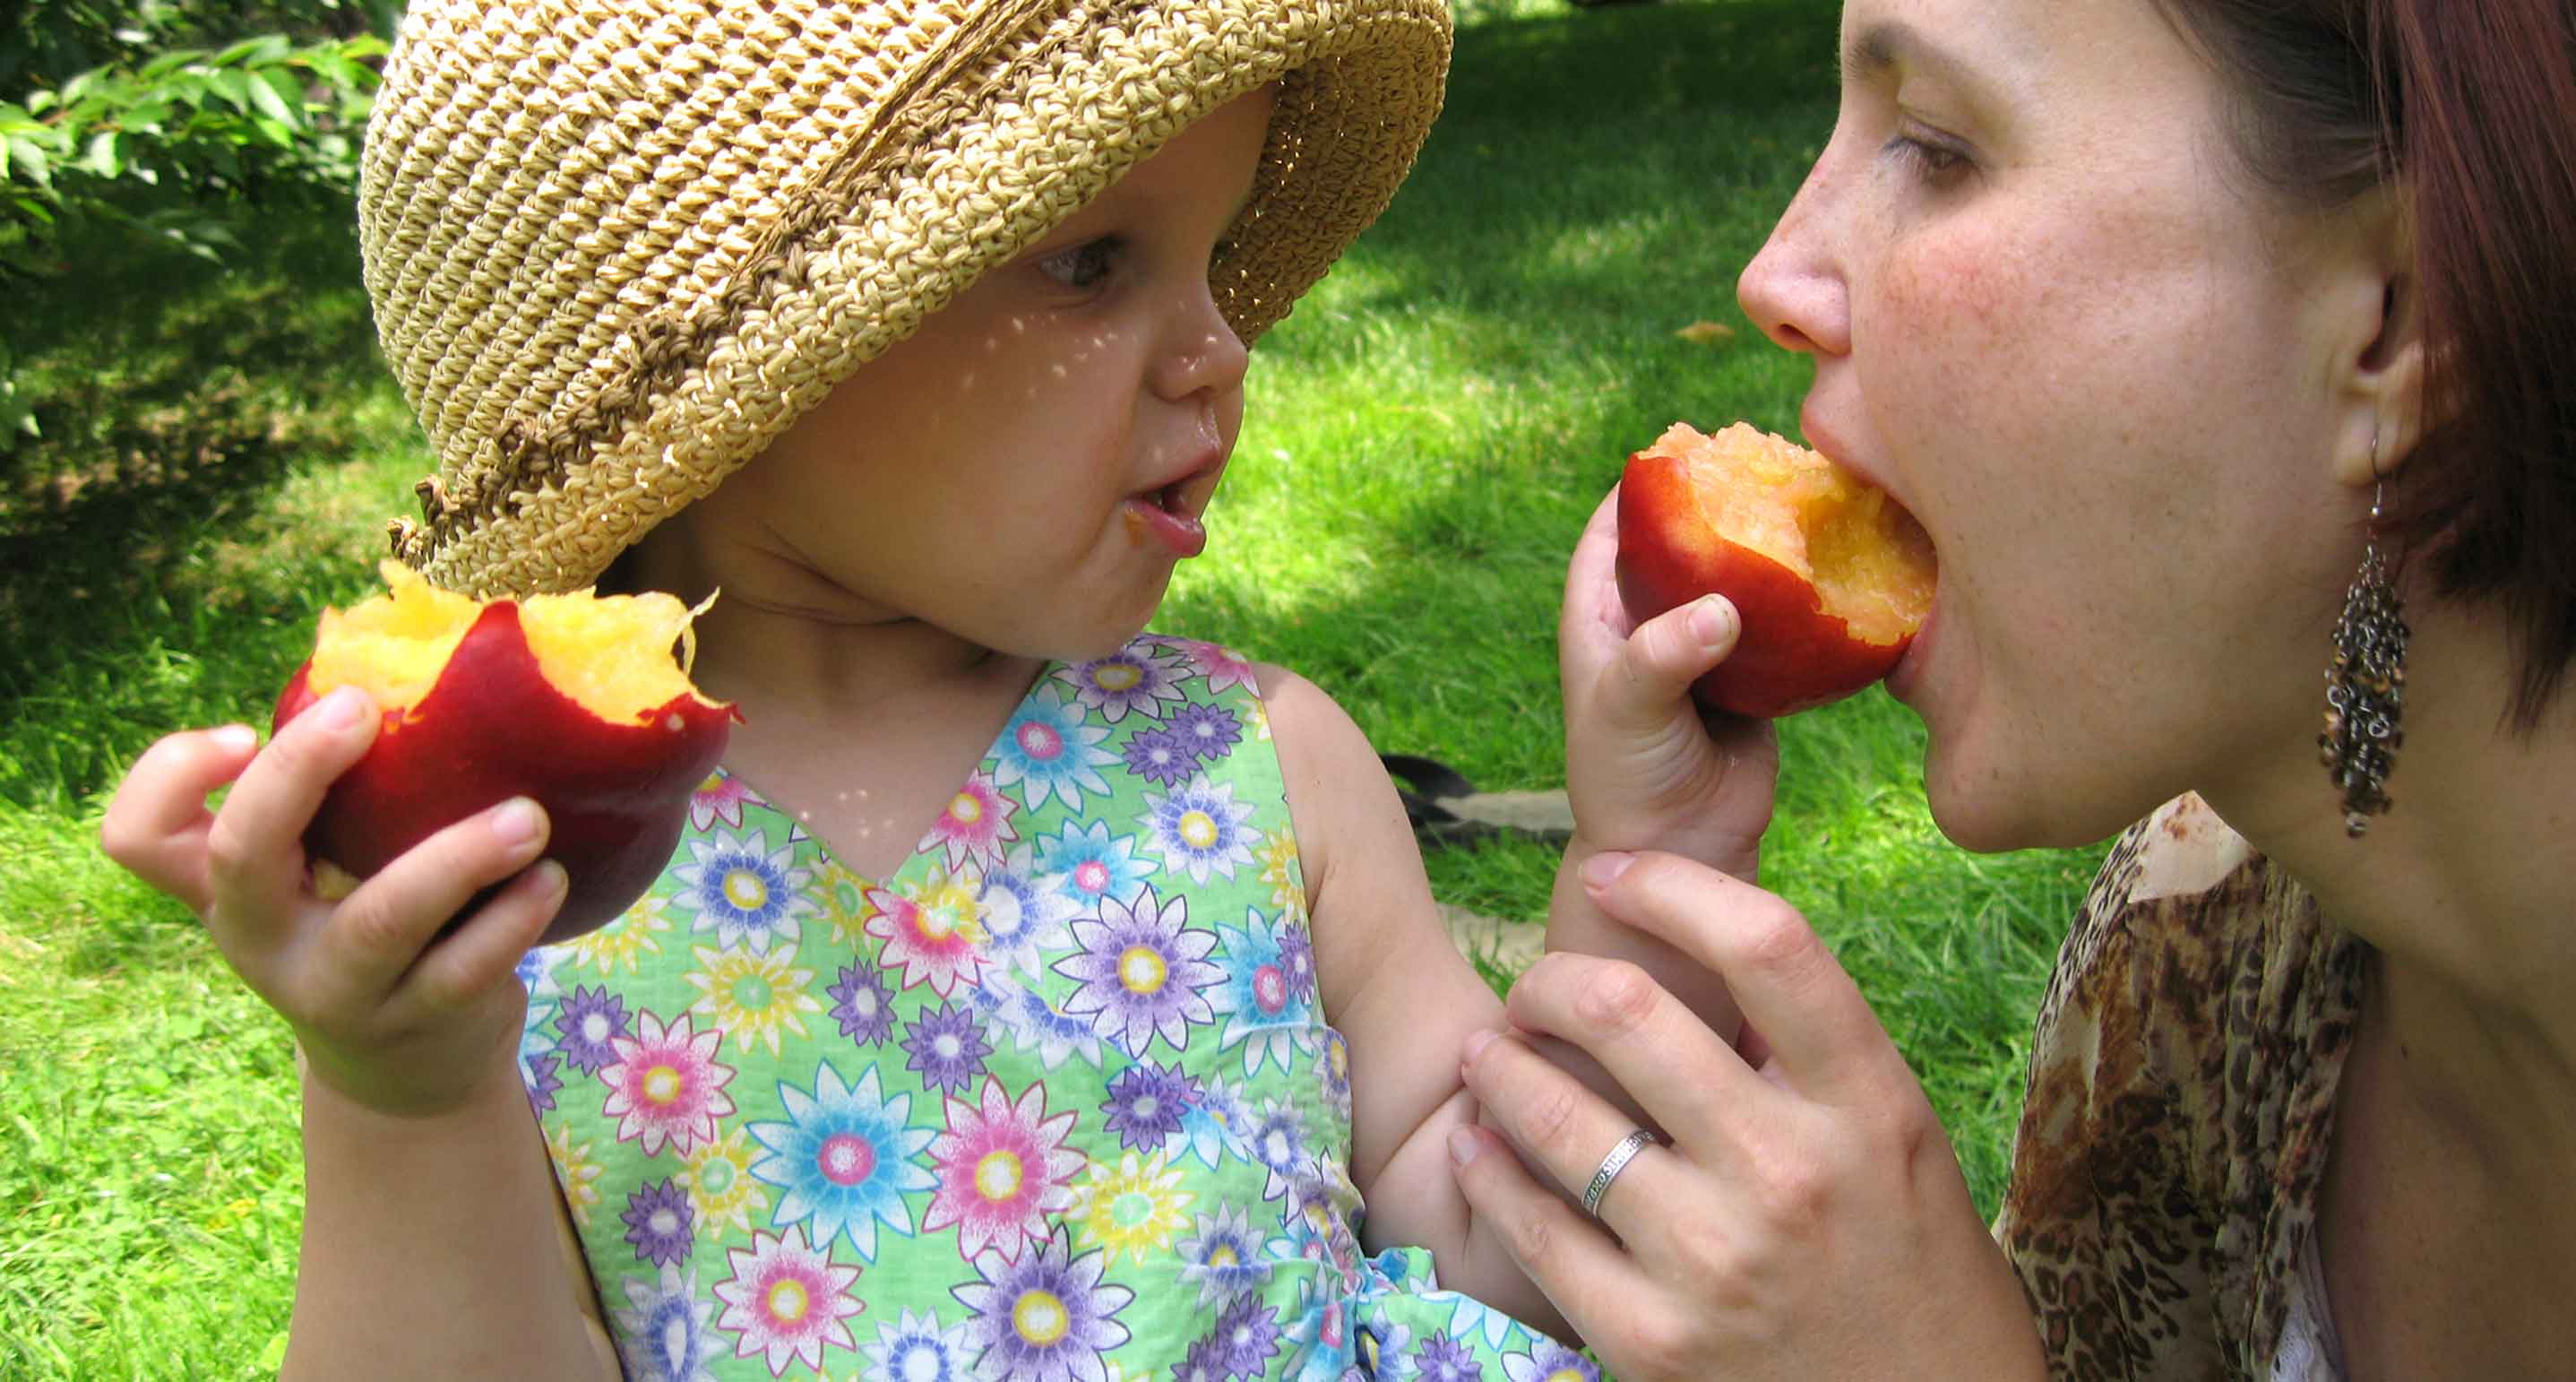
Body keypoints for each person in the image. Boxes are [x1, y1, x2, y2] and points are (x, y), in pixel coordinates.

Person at [94, 2, 1723, 1376]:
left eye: (1210, 257)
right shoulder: (519, 879)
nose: (1221, 347)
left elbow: (1503, 1246)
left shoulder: (1256, 764)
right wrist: (408, 1096)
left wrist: (1647, 862)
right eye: (1092, 262)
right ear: (757, 366)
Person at [1443, 0, 2576, 1377]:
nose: (1773, 274)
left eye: (1933, 143)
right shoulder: (2192, 974)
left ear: (2393, 326)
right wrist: (1657, 893)